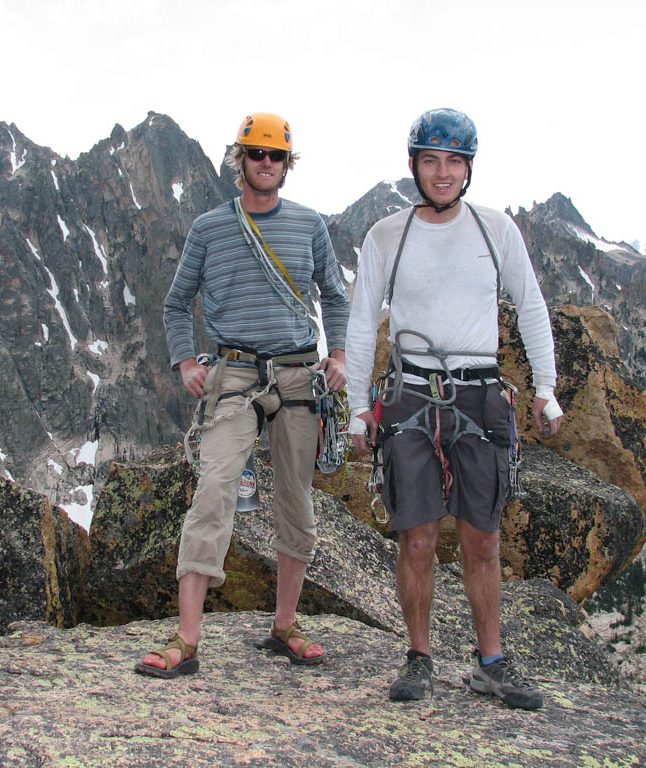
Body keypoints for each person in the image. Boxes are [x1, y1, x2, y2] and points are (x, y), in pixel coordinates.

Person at [344, 108, 563, 708]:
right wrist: (358, 405)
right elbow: (362, 322)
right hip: (413, 393)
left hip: (480, 391)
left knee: (482, 538)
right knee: (415, 537)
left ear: (468, 169)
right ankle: (419, 658)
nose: (442, 173)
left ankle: (491, 662)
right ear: (414, 165)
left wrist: (546, 387)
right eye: (431, 161)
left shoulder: (496, 230)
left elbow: (532, 306)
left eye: (454, 162)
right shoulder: (388, 235)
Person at [135, 112, 349, 679]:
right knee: (214, 488)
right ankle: (187, 638)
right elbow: (176, 302)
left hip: (300, 375)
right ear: (240, 159)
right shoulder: (210, 228)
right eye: (255, 154)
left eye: (275, 156)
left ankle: (284, 625)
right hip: (233, 375)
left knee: (295, 499)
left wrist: (342, 355)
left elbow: (335, 294)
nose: (265, 164)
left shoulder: (310, 226)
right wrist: (185, 360)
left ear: (287, 164)